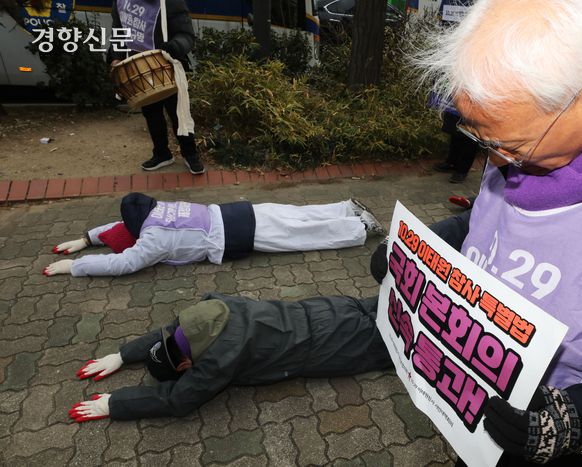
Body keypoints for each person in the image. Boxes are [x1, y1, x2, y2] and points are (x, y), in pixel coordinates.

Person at [377, 0, 582, 465]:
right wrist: (422, 252)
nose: (497, 162)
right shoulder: (531, 122)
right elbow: (494, 220)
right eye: (484, 141)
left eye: (510, 146)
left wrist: (578, 422)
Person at [69, 293, 391, 421]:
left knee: (399, 346)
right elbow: (168, 332)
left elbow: (176, 400)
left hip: (333, 344)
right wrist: (123, 355)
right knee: (395, 300)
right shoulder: (209, 310)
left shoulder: (217, 360)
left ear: (187, 364)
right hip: (329, 307)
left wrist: (113, 404)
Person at [44, 193, 384, 277]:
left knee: (301, 237)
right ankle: (345, 208)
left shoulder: (153, 239)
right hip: (238, 210)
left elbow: (124, 264)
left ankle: (360, 227)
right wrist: (88, 239)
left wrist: (77, 266)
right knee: (296, 214)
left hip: (239, 234)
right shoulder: (157, 206)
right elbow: (119, 227)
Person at [107, 0, 205, 174]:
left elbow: (186, 34)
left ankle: (190, 154)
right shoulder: (121, 2)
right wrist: (116, 57)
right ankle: (162, 154)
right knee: (151, 113)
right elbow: (118, 32)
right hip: (140, 68)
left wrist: (174, 47)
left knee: (178, 113)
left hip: (168, 65)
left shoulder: (171, 2)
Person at [430, 0, 479, 184]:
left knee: (469, 123)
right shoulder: (449, 2)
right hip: (453, 64)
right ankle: (451, 161)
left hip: (473, 66)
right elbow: (443, 28)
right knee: (453, 120)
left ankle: (462, 168)